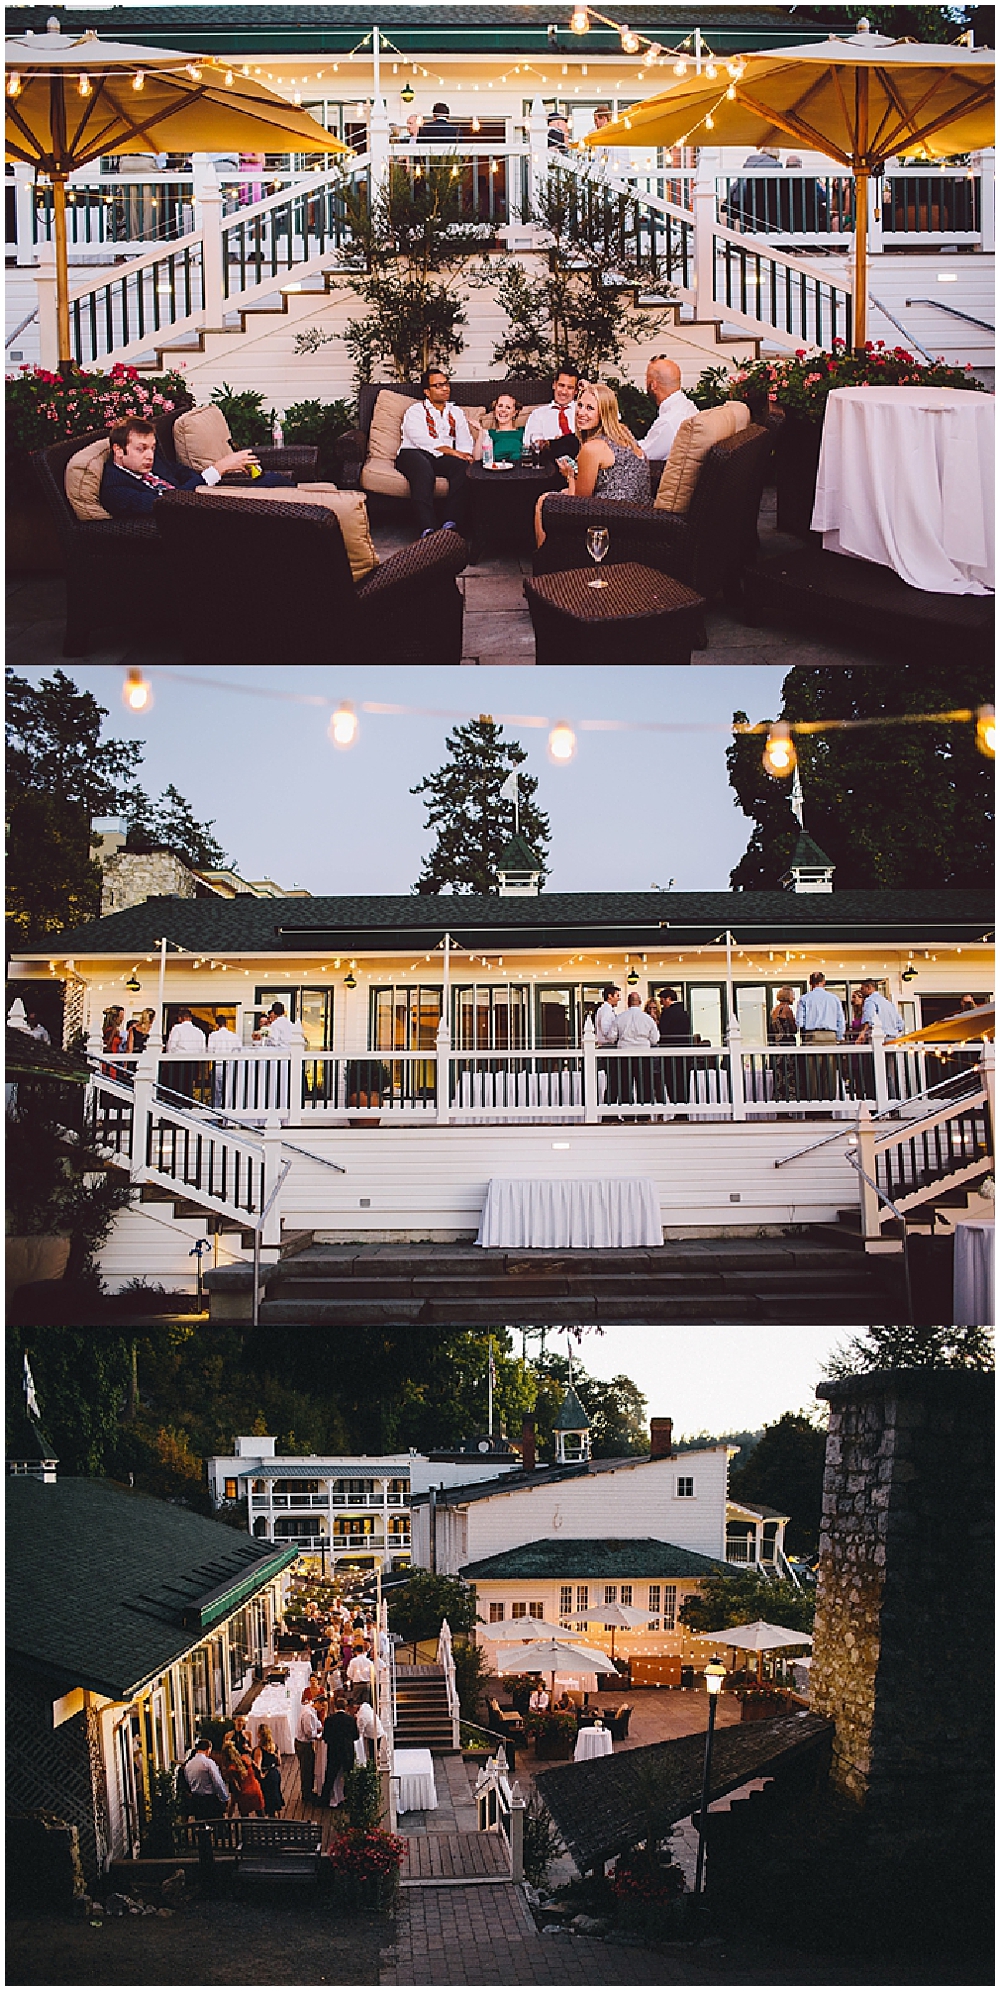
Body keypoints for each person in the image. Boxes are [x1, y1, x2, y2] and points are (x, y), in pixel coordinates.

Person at [534, 381, 649, 546]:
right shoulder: (625, 434)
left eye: (590, 408)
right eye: (580, 405)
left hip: (613, 518)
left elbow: (581, 504)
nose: (581, 412)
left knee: (544, 501)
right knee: (563, 492)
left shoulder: (592, 448)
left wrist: (569, 476)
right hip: (642, 512)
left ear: (604, 412)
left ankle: (545, 560)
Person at [99, 416, 278, 521]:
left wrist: (210, 481)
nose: (149, 455)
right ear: (118, 450)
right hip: (195, 521)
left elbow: (181, 471)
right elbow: (167, 505)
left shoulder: (148, 463)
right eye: (141, 448)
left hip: (203, 498)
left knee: (275, 481)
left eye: (152, 448)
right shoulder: (116, 488)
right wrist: (217, 470)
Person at [396, 366, 473, 538]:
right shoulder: (415, 411)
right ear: (427, 392)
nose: (445, 388)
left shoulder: (456, 412)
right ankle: (427, 529)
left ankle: (450, 524)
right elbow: (421, 439)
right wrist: (452, 452)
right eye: (438, 386)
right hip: (413, 452)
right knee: (424, 471)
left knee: (462, 467)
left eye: (446, 384)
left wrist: (465, 455)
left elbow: (464, 441)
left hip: (442, 457)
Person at [638, 355, 698, 466]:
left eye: (647, 379)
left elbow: (641, 455)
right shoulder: (686, 406)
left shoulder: (668, 421)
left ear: (653, 385)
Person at [521, 365, 579, 457]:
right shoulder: (538, 414)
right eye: (561, 385)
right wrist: (553, 444)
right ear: (554, 385)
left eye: (570, 388)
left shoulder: (582, 410)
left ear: (576, 391)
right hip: (549, 460)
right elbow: (530, 443)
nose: (564, 392)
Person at [617, 989, 659, 1110]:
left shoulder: (620, 1018)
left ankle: (628, 1114)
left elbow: (611, 1036)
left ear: (628, 1002)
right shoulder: (647, 1019)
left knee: (626, 1085)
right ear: (640, 1002)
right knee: (644, 1084)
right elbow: (655, 1039)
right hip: (643, 1054)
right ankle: (644, 1113)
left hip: (624, 1054)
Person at [178, 1736, 229, 1820]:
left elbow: (187, 1780)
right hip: (209, 1799)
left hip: (196, 1799)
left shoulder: (189, 1765)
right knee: (218, 1823)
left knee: (201, 1824)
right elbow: (217, 1781)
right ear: (208, 1749)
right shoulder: (208, 1763)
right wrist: (224, 1797)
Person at [657, 987, 691, 1111]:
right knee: (683, 1082)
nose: (661, 1004)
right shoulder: (684, 1012)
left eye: (662, 1001)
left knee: (672, 1082)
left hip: (670, 1052)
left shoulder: (668, 1013)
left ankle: (677, 1109)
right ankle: (683, 1110)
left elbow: (662, 1032)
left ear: (668, 999)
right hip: (684, 1053)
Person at [473, 392, 524, 465]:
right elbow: (477, 458)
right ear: (494, 410)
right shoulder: (488, 433)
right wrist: (481, 432)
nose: (503, 410)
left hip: (520, 471)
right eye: (500, 406)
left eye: (508, 407)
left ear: (514, 413)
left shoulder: (523, 432)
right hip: (496, 471)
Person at [207, 1011, 241, 1108]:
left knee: (217, 1093)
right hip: (230, 1067)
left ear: (216, 1025)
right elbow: (239, 1051)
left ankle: (216, 1114)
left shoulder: (213, 1036)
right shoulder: (234, 1036)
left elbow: (210, 1051)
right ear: (226, 1024)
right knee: (229, 1092)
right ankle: (228, 1115)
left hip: (217, 1065)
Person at [295, 1695, 323, 1804]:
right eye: (322, 1706)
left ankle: (308, 1790)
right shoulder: (308, 1714)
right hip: (303, 1745)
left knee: (309, 1767)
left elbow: (316, 1724)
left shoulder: (310, 1710)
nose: (322, 1709)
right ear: (317, 1703)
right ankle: (307, 1794)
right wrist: (318, 1736)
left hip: (303, 1743)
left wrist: (320, 1727)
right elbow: (309, 1733)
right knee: (306, 1769)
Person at [254, 1724, 284, 1816]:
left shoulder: (259, 1750)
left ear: (259, 1735)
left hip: (266, 1776)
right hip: (274, 1773)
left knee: (266, 1799)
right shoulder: (275, 1747)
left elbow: (257, 1766)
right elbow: (279, 1762)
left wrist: (260, 1774)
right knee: (275, 1796)